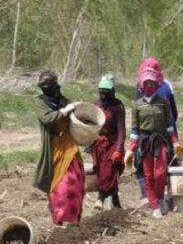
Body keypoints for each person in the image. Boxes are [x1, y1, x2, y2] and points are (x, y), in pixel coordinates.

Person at [32, 70, 85, 226]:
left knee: (76, 182)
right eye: (43, 86)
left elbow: (77, 118)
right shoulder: (41, 102)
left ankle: (74, 219)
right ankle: (59, 217)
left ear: (55, 85)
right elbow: (47, 119)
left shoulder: (65, 101)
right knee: (60, 186)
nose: (46, 88)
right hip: (54, 146)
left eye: (49, 85)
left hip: (69, 146)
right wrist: (63, 111)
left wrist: (77, 110)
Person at [125, 70, 175, 218]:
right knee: (148, 176)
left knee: (160, 173)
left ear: (156, 84)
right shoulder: (137, 105)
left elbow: (169, 124)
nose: (149, 85)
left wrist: (176, 143)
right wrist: (130, 150)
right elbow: (135, 130)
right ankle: (154, 205)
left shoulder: (163, 102)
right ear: (142, 85)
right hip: (145, 143)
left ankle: (159, 198)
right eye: (146, 83)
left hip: (160, 141)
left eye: (151, 83)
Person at [132, 58, 182, 196]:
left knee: (142, 163)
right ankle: (170, 195)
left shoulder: (140, 85)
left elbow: (137, 110)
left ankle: (147, 196)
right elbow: (174, 111)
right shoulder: (167, 85)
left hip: (146, 132)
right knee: (170, 161)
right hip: (166, 128)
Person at [91, 74, 126, 210]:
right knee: (101, 172)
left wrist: (119, 149)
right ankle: (116, 201)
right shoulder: (95, 105)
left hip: (113, 142)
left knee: (109, 170)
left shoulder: (118, 106)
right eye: (102, 91)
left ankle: (100, 197)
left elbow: (121, 129)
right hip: (99, 143)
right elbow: (91, 125)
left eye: (107, 91)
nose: (104, 94)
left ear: (113, 91)